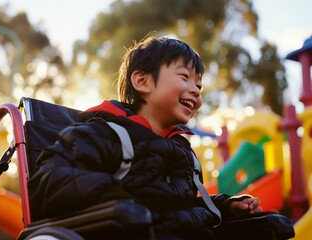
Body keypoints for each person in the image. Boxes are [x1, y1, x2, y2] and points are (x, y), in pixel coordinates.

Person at [28, 36, 288, 239]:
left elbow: (185, 204)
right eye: (184, 78)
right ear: (143, 81)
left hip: (182, 231)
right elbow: (50, 182)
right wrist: (123, 199)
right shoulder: (103, 134)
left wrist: (226, 207)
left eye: (199, 85)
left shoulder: (181, 149)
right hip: (129, 229)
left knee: (275, 227)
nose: (196, 92)